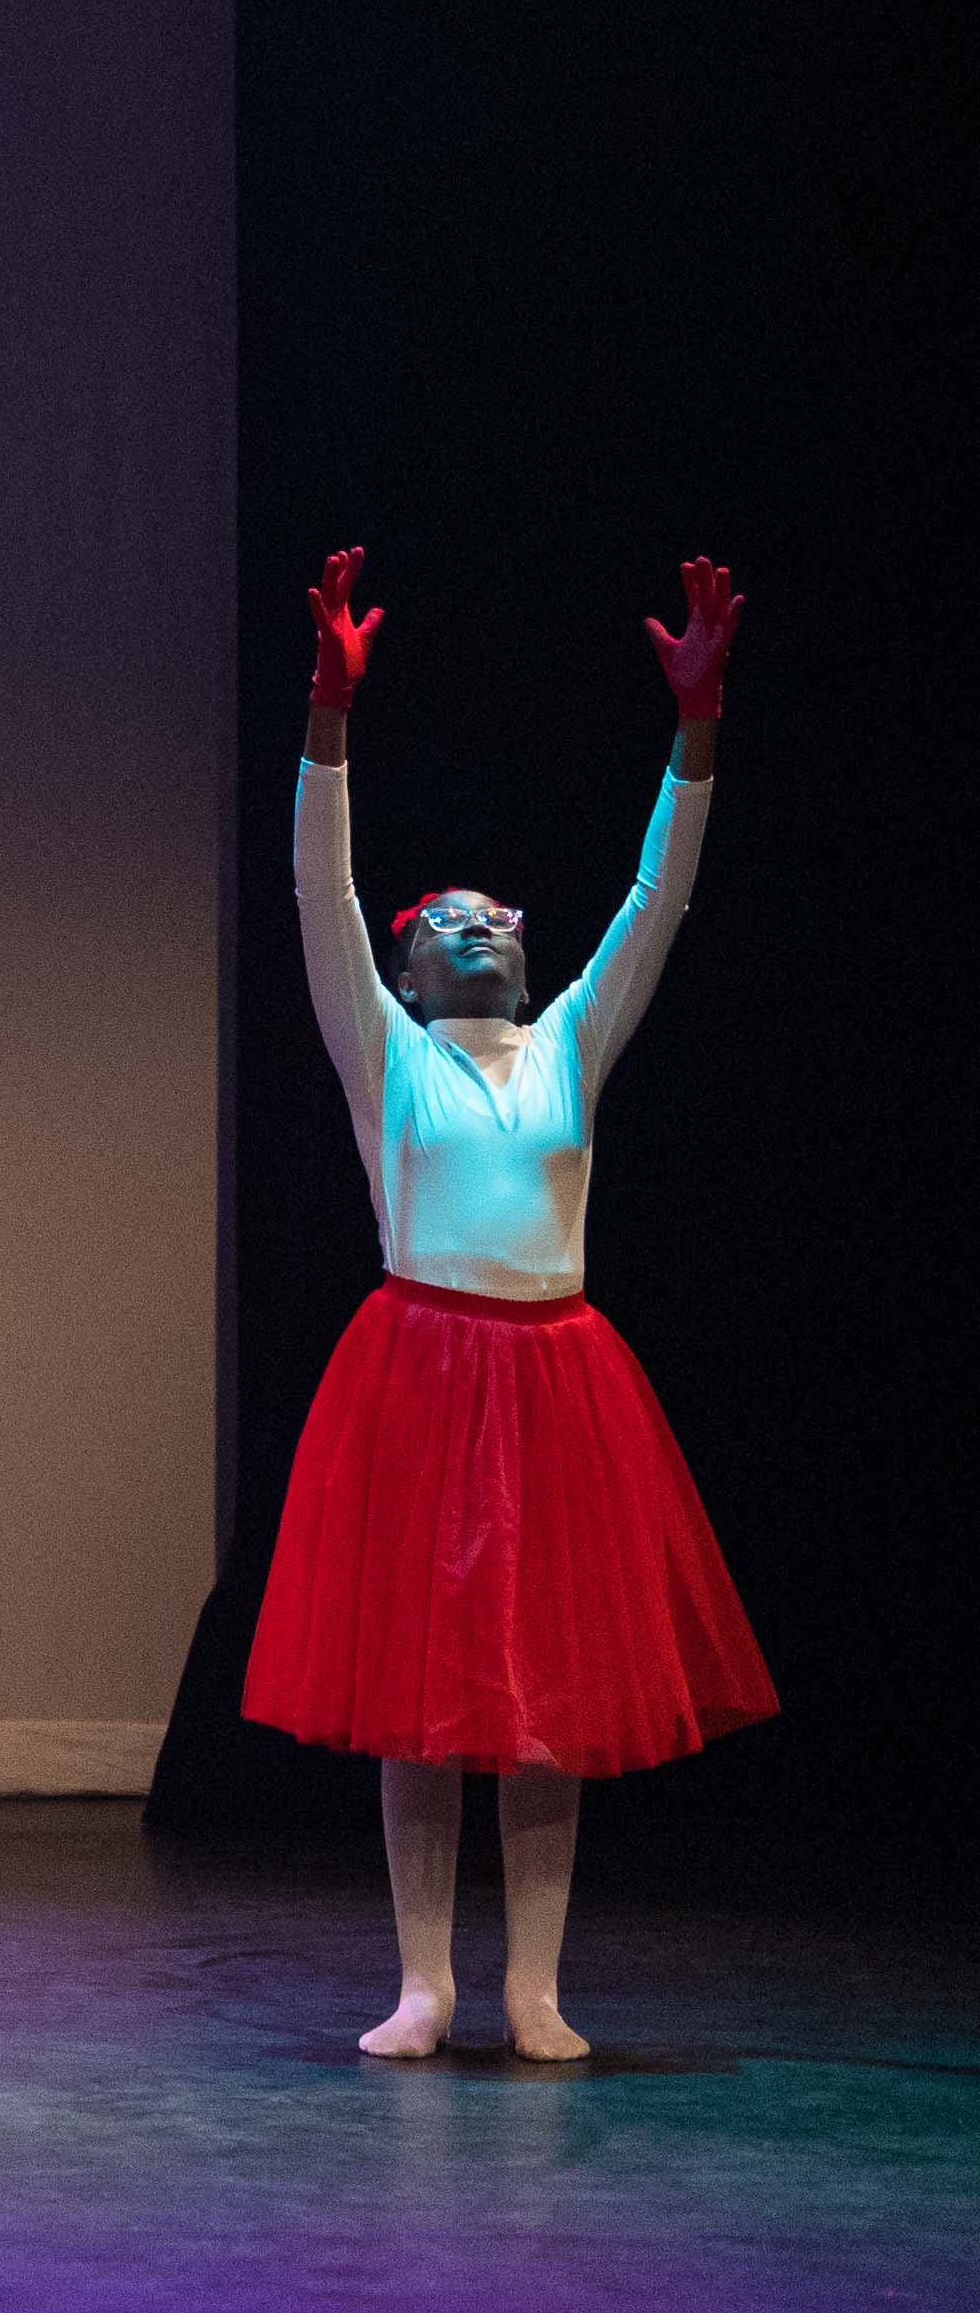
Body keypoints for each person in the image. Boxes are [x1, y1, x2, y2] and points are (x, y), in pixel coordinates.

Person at [246, 547, 769, 2062]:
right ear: (406, 975)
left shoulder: (570, 1048)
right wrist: (328, 722)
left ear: (530, 959)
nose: (474, 928)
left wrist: (696, 732)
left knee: (551, 1697)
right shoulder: (387, 1058)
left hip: (555, 1382)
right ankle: (427, 1981)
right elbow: (321, 889)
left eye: (497, 917)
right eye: (444, 923)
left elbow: (659, 896)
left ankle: (534, 1981)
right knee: (423, 1697)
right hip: (422, 1370)